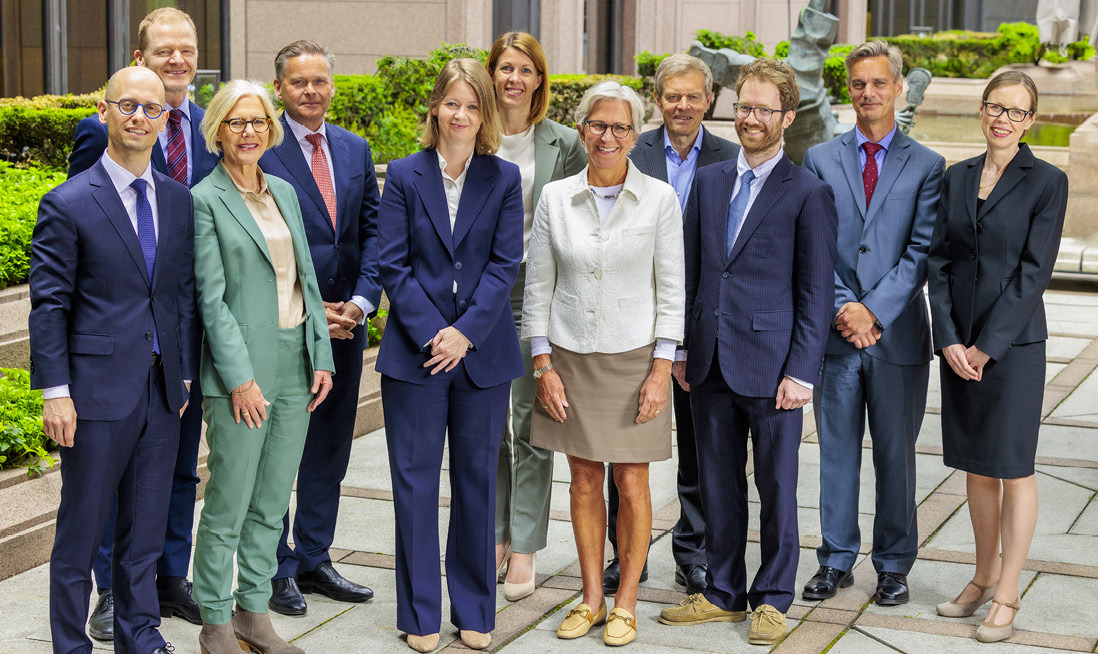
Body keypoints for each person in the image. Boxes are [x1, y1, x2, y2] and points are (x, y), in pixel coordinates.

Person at [658, 58, 837, 646]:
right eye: (744, 107)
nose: (751, 118)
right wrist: (681, 348)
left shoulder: (808, 191)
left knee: (777, 487)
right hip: (709, 358)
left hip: (774, 366)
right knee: (718, 484)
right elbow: (690, 273)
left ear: (788, 116)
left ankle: (773, 598)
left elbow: (814, 292)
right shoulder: (709, 182)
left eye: (763, 109)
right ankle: (724, 592)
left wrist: (802, 372)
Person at [30, 65, 197, 654]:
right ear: (103, 112)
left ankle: (140, 637)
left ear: (165, 119)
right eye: (126, 105)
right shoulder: (69, 202)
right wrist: (56, 393)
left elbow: (176, 293)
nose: (138, 117)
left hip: (160, 395)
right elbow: (49, 306)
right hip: (94, 395)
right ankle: (70, 645)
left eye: (151, 109)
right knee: (79, 536)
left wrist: (179, 374)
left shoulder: (177, 200)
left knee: (145, 533)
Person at [66, 7, 219, 636]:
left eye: (187, 50)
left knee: (179, 463)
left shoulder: (216, 126)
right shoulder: (97, 128)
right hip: (126, 340)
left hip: (192, 329)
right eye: (165, 51)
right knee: (116, 472)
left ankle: (166, 576)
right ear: (139, 58)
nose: (178, 60)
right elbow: (82, 229)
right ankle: (110, 591)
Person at [523, 81, 685, 647]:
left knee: (633, 480)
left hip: (634, 357)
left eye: (619, 127)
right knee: (585, 479)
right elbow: (538, 286)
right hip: (569, 356)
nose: (607, 136)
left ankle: (626, 603)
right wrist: (542, 365)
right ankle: (590, 598)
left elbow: (672, 291)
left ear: (635, 136)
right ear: (583, 130)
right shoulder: (556, 197)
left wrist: (662, 369)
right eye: (597, 125)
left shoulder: (660, 199)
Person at [376, 58, 524, 653]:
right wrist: (435, 332)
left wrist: (464, 333)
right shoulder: (405, 177)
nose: (461, 115)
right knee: (413, 485)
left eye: (473, 106)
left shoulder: (504, 177)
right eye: (452, 103)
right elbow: (393, 263)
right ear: (435, 107)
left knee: (476, 484)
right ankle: (419, 613)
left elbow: (504, 263)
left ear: (484, 114)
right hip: (415, 357)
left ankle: (474, 609)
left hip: (482, 356)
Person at [190, 80, 334, 654]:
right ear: (218, 131)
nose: (248, 132)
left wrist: (320, 353)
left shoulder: (284, 192)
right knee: (229, 499)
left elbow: (308, 281)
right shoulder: (205, 199)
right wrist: (240, 379)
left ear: (270, 129)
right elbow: (211, 300)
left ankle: (254, 612)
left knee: (274, 499)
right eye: (235, 122)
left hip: (295, 359)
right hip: (241, 372)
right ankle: (215, 621)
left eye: (256, 122)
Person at [801, 40, 945, 605]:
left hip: (899, 336)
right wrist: (844, 307)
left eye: (879, 83)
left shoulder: (929, 165)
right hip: (837, 337)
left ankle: (893, 564)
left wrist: (874, 310)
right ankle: (835, 559)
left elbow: (922, 251)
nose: (868, 93)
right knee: (835, 453)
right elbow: (814, 245)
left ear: (898, 87)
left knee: (894, 455)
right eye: (858, 83)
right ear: (848, 89)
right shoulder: (820, 159)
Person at [928, 71, 1067, 643]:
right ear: (981, 112)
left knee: (1013, 467)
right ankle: (982, 576)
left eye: (1016, 111)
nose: (1003, 119)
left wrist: (987, 346)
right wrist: (951, 339)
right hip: (960, 347)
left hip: (1011, 349)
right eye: (995, 108)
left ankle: (1008, 591)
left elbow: (1034, 274)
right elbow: (938, 264)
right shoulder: (956, 177)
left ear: (1030, 120)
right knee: (977, 466)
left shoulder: (1047, 182)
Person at [604, 52, 739, 597]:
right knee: (624, 445)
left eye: (693, 96)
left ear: (709, 100)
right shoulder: (627, 151)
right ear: (657, 100)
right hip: (633, 326)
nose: (682, 105)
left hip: (705, 324)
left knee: (700, 448)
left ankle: (694, 551)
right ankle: (620, 552)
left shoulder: (732, 157)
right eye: (672, 96)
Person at [259, 39, 380, 616]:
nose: (311, 91)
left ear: (333, 85)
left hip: (345, 326)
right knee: (277, 449)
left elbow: (375, 236)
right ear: (279, 88)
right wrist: (310, 310)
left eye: (320, 81)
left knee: (330, 446)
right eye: (299, 82)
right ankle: (274, 567)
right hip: (285, 326)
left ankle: (314, 557)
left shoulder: (356, 150)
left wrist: (359, 303)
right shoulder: (260, 149)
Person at [485, 30, 586, 603]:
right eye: (505, 68)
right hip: (479, 293)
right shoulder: (475, 132)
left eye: (525, 69)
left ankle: (524, 544)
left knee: (529, 424)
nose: (514, 79)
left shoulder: (564, 143)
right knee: (486, 425)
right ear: (492, 74)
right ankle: (496, 534)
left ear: (540, 79)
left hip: (534, 292)